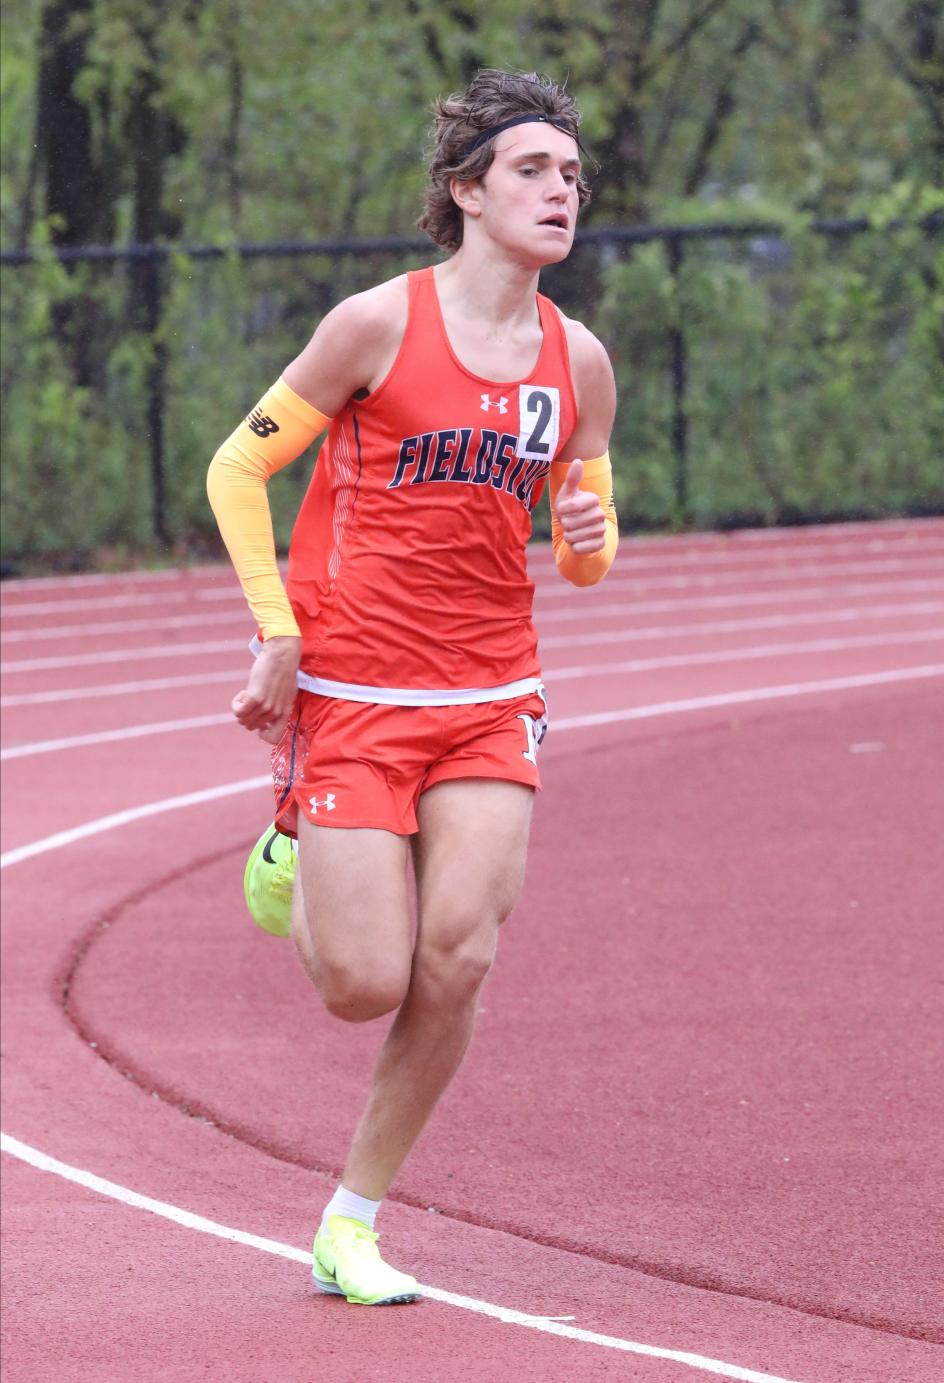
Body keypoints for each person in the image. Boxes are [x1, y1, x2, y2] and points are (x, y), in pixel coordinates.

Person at [207, 68, 618, 1306]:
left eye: (574, 175)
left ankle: (352, 1221)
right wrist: (276, 631)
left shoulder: (579, 359)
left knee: (460, 960)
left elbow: (586, 557)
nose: (563, 192)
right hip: (356, 695)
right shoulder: (374, 325)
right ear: (467, 191)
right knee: (363, 985)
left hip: (493, 694)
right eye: (536, 171)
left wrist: (591, 530)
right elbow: (239, 468)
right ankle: (291, 834)